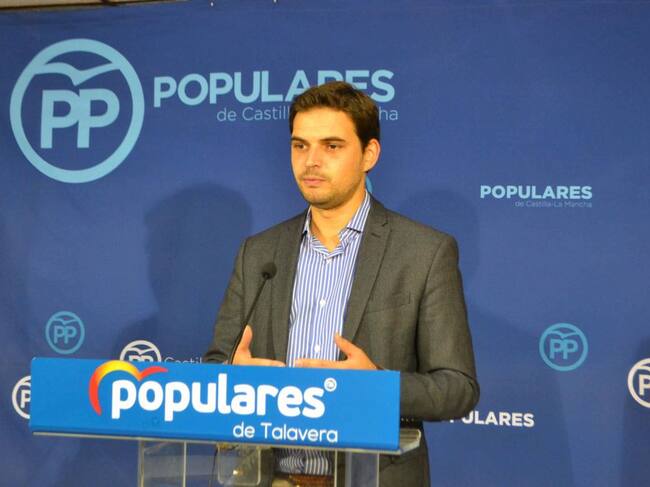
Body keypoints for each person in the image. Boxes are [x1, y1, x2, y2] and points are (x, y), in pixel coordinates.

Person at [204, 81, 479, 487]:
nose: (311, 161)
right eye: (300, 146)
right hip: (270, 478)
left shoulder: (424, 252)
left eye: (332, 146)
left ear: (369, 154)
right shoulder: (258, 253)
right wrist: (232, 379)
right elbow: (216, 366)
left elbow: (457, 389)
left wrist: (377, 388)